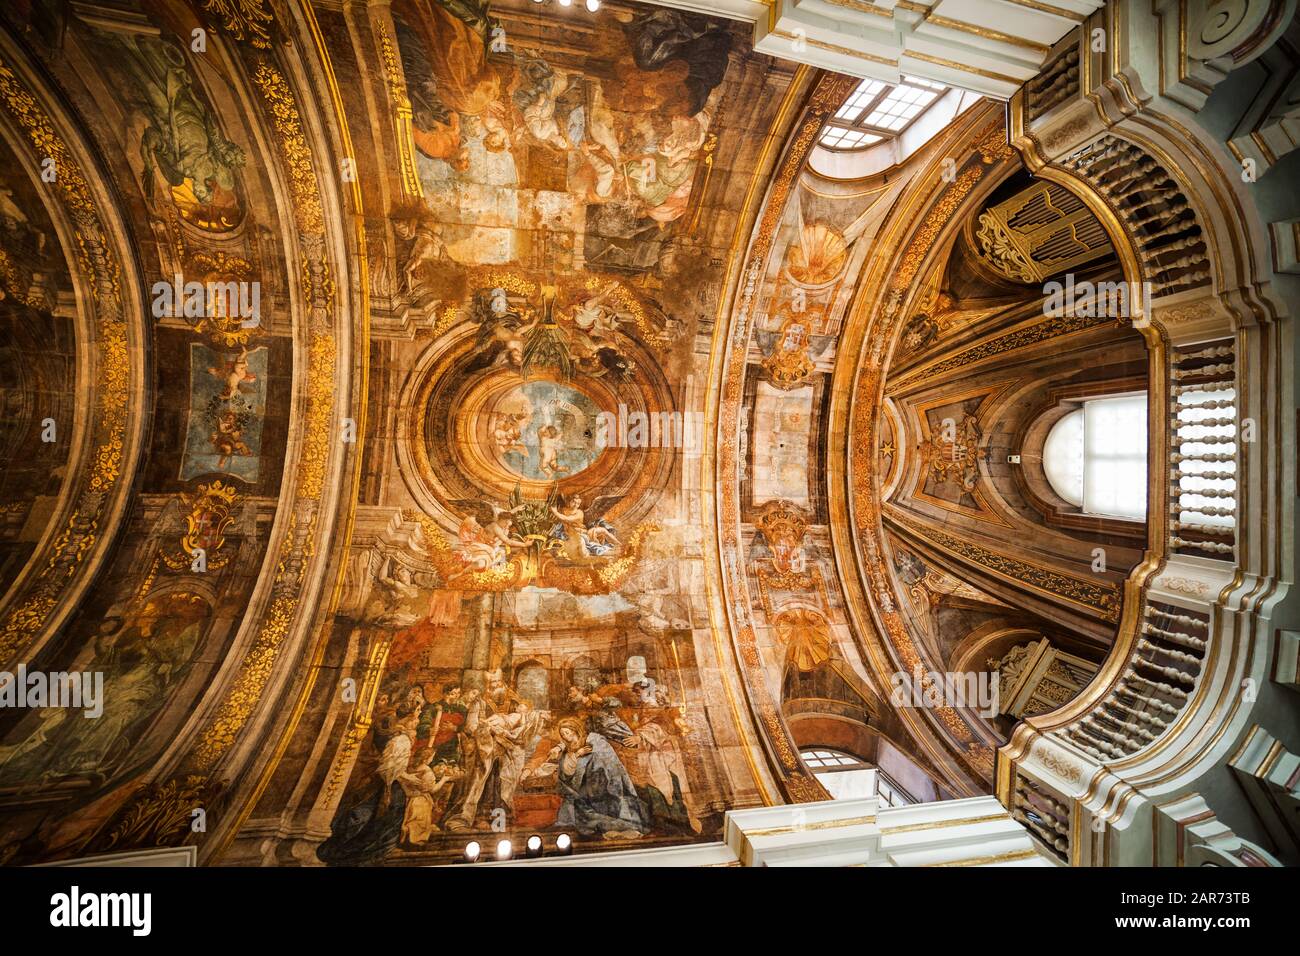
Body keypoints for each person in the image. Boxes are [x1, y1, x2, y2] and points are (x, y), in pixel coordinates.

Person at [524, 717, 646, 839]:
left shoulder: (594, 739)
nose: (566, 736)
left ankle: (620, 824)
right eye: (563, 734)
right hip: (586, 786)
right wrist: (568, 752)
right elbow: (567, 771)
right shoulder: (568, 749)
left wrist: (585, 759)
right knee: (582, 809)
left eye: (567, 732)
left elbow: (603, 757)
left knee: (611, 802)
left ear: (575, 730)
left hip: (605, 780)